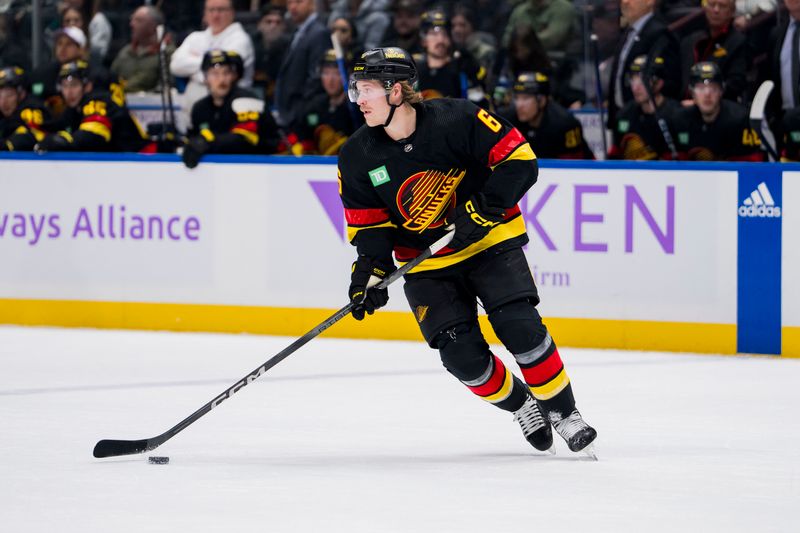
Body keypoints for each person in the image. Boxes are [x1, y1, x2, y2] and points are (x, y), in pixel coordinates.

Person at [337, 47, 598, 454]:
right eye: (357, 89)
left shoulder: (457, 118)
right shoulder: (357, 154)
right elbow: (371, 228)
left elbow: (521, 161)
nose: (359, 99)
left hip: (488, 242)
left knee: (521, 329)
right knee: (462, 358)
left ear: (397, 91)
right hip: (426, 264)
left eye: (367, 89)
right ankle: (523, 405)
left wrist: (484, 209)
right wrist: (369, 272)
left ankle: (564, 413)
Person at [182, 50, 281, 168]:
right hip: (221, 171)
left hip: (265, 167)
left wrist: (208, 140)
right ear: (205, 78)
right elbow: (192, 140)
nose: (222, 79)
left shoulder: (246, 100)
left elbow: (243, 140)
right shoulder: (200, 108)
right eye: (215, 74)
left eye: (226, 73)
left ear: (233, 76)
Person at [35, 60, 149, 153]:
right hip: (125, 163)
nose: (69, 92)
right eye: (65, 86)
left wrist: (63, 139)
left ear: (88, 86)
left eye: (74, 85)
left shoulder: (97, 101)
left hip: (145, 159)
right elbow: (54, 127)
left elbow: (92, 136)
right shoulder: (73, 109)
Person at [170, 0, 255, 116]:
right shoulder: (195, 37)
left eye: (221, 10)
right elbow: (175, 66)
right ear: (205, 14)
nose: (215, 15)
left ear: (232, 12)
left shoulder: (240, 39)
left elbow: (225, 69)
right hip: (194, 112)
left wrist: (194, 71)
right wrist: (209, 65)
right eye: (211, 10)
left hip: (230, 110)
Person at [606, 0, 680, 126]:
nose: (625, 2)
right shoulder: (628, 32)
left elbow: (670, 82)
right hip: (623, 118)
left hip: (648, 123)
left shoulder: (659, 34)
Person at [673, 61, 765, 161]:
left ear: (721, 91)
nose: (707, 94)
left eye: (713, 88)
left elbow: (753, 165)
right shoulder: (679, 119)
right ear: (692, 92)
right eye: (701, 88)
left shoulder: (741, 120)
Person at [497, 71, 594, 159]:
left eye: (526, 98)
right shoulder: (506, 120)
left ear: (542, 101)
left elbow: (574, 167)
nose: (519, 105)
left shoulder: (565, 124)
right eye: (517, 98)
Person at [609, 55, 682, 160]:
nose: (635, 87)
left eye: (642, 81)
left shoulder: (676, 115)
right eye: (633, 80)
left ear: (659, 83)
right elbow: (614, 156)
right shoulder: (625, 114)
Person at [273, 0, 331, 129]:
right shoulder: (298, 31)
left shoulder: (319, 33)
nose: (293, 6)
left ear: (312, 3)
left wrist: (299, 111)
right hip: (289, 113)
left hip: (302, 116)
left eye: (298, 1)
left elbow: (316, 78)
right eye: (289, 3)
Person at [296, 49, 363, 155]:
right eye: (326, 73)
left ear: (348, 76)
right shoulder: (315, 104)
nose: (330, 80)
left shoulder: (358, 108)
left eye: (337, 74)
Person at [678, 0, 747, 103]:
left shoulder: (738, 42)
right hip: (683, 106)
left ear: (732, 11)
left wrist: (700, 101)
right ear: (705, 7)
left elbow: (735, 84)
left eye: (722, 6)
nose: (716, 10)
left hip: (719, 108)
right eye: (712, 4)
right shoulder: (690, 40)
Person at [414, 8, 487, 105]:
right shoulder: (414, 69)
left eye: (445, 34)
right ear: (423, 40)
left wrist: (473, 77)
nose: (440, 40)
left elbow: (480, 106)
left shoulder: (462, 68)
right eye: (434, 34)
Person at [111, 6, 172, 93]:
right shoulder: (126, 51)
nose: (132, 24)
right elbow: (110, 78)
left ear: (153, 26)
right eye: (132, 19)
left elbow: (165, 88)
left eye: (139, 20)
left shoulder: (165, 53)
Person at [0, 66, 50, 151]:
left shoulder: (32, 110)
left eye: (9, 95)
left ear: (21, 94)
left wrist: (8, 144)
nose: (3, 102)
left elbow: (37, 138)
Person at [502, 0, 576, 54]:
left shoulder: (562, 7)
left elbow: (553, 37)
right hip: (523, 61)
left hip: (556, 60)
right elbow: (506, 39)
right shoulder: (520, 10)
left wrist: (523, 42)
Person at [251, 4, 290, 105]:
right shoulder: (249, 45)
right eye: (268, 22)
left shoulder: (291, 48)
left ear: (284, 27)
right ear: (259, 25)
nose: (273, 26)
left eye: (278, 22)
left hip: (281, 99)